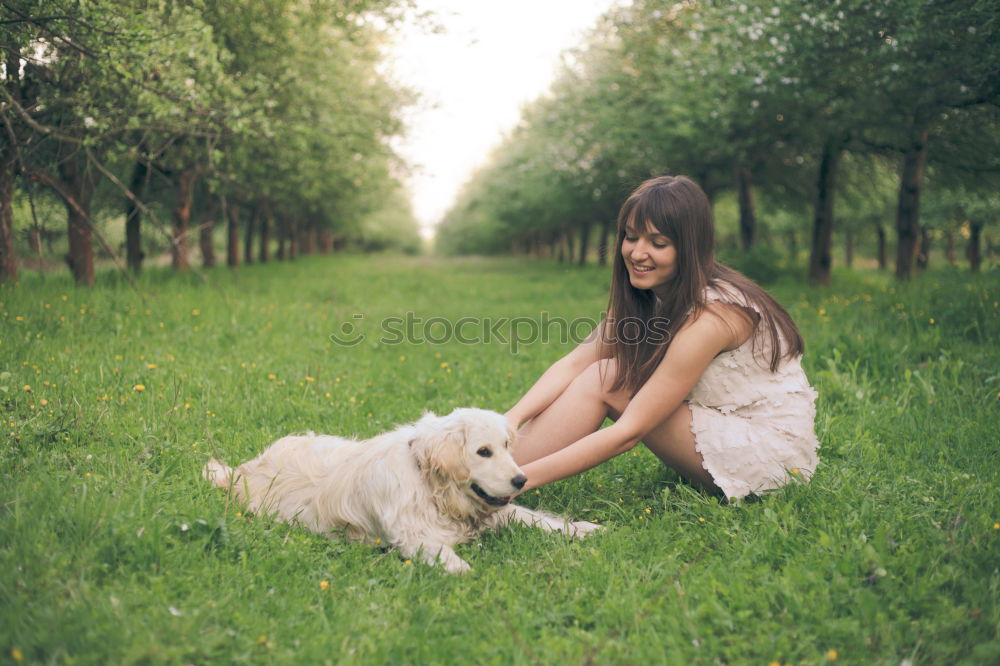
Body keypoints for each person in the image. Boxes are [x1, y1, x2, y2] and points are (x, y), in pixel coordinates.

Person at [506, 175, 819, 500]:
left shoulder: (713, 316)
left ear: (690, 247)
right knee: (604, 372)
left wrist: (515, 483)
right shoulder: (648, 295)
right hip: (715, 428)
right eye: (631, 237)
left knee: (609, 378)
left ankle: (489, 481)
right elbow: (575, 363)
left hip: (769, 458)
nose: (638, 253)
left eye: (658, 243)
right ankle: (481, 471)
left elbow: (629, 432)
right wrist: (510, 420)